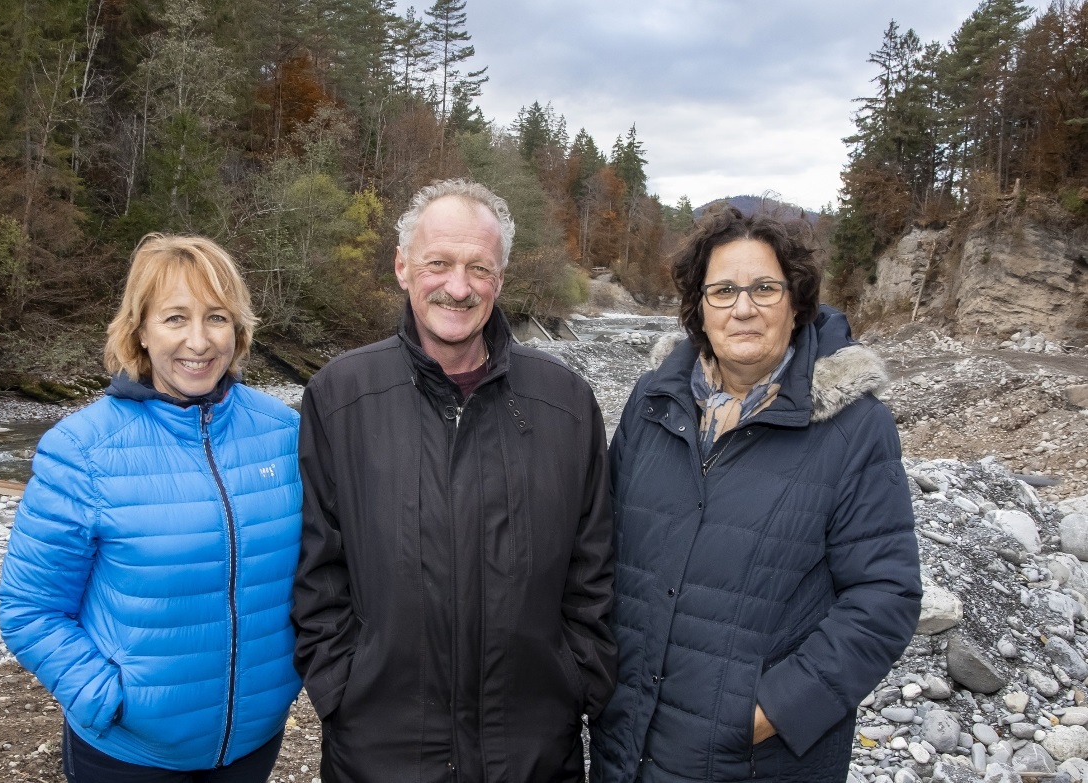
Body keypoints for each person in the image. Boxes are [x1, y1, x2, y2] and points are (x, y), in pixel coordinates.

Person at [292, 178, 617, 782]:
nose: (459, 287)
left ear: (501, 277)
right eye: (438, 263)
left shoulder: (565, 402)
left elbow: (592, 567)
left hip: (532, 751)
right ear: (403, 267)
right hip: (380, 751)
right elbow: (318, 566)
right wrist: (340, 686)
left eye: (480, 268)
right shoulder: (340, 397)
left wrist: (578, 681)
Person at [589, 205, 922, 783]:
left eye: (764, 288)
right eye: (722, 291)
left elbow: (885, 596)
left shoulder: (854, 427)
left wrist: (768, 714)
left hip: (756, 758)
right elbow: (603, 544)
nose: (743, 308)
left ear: (796, 302)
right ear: (699, 309)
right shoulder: (653, 401)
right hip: (629, 738)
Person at [0, 234, 303, 782]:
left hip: (253, 739)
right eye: (175, 318)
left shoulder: (285, 432)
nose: (199, 341)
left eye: (216, 317)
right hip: (129, 753)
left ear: (239, 328)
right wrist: (105, 700)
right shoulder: (82, 450)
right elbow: (29, 609)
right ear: (139, 330)